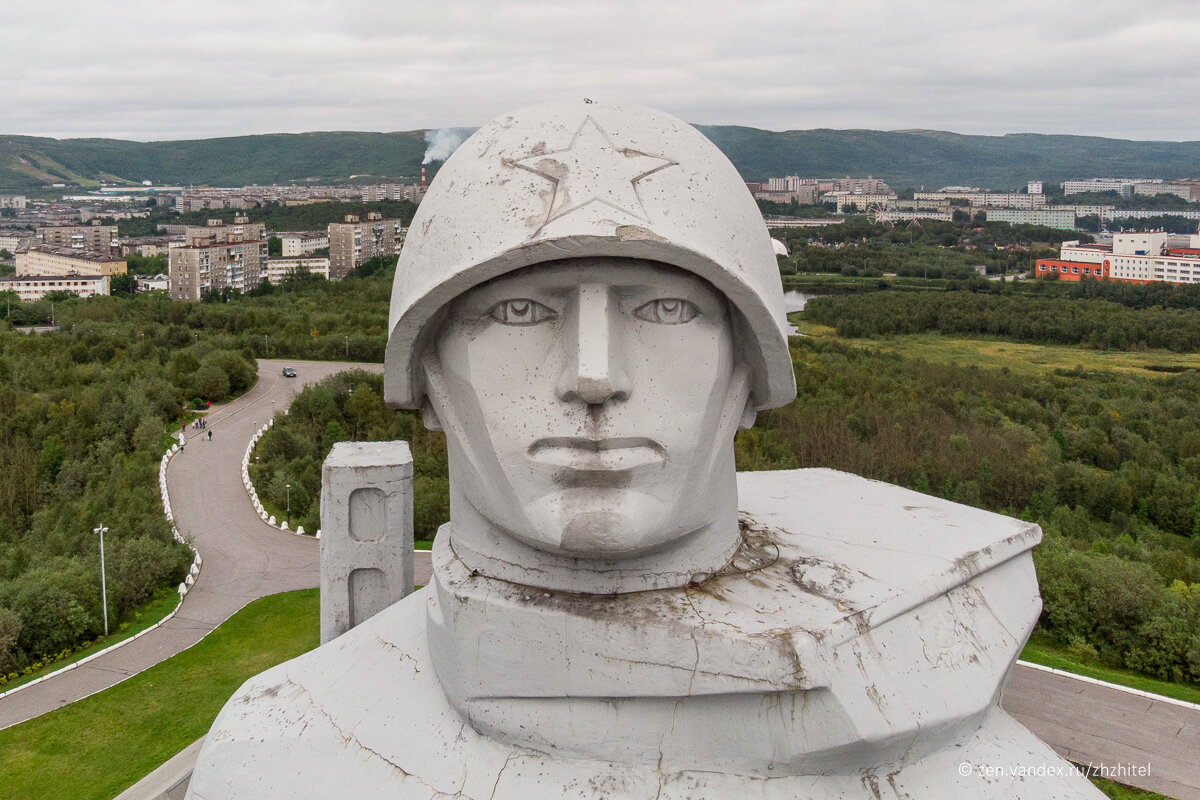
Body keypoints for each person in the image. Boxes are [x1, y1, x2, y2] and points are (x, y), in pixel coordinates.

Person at [187, 102, 1102, 800]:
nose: (593, 377)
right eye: (518, 311)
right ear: (425, 381)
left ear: (752, 375)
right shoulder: (282, 759)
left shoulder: (970, 757)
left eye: (665, 310)